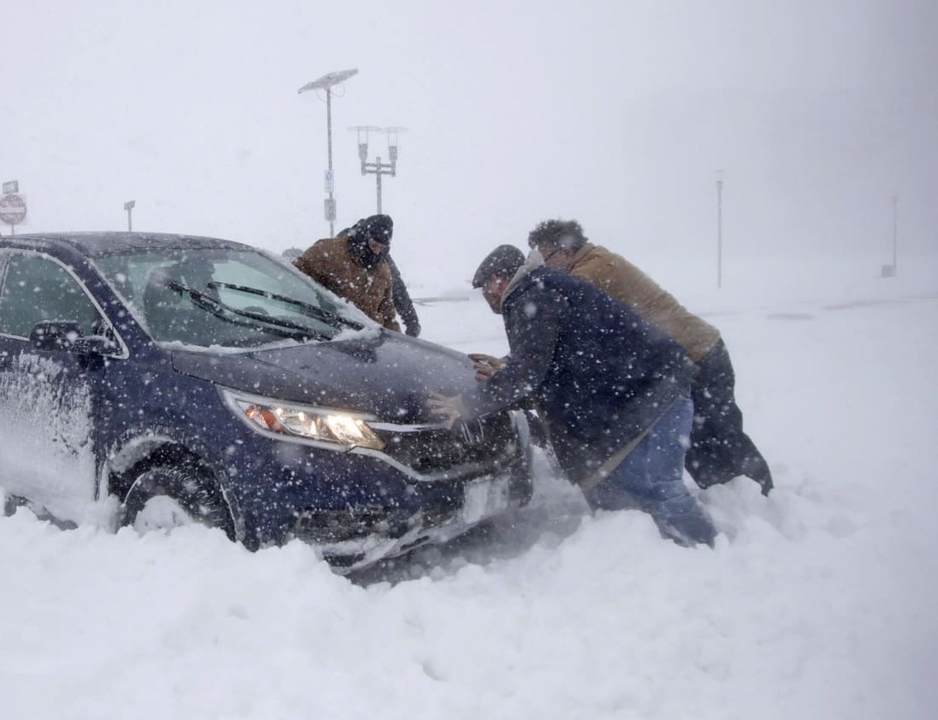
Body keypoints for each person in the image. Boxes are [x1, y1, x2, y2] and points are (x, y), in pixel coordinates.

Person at [428, 245, 717, 547]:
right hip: (633, 395)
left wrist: (467, 404)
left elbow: (531, 372)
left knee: (658, 485)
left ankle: (708, 550)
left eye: (485, 287)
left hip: (653, 391)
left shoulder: (532, 295)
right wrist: (508, 368)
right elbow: (547, 357)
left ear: (499, 280)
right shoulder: (540, 287)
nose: (485, 295)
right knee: (614, 489)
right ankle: (641, 554)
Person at [526, 219, 773, 496]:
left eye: (543, 258)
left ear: (566, 252)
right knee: (699, 441)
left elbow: (556, 318)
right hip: (684, 359)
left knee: (721, 435)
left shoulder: (595, 269)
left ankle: (761, 497)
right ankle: (734, 499)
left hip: (699, 354)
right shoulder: (592, 263)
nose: (542, 267)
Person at [293, 215, 400, 332]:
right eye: (373, 245)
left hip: (369, 338)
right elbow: (293, 278)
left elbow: (387, 312)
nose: (376, 251)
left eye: (382, 248)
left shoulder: (383, 269)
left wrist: (399, 343)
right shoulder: (328, 252)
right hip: (328, 335)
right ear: (363, 237)